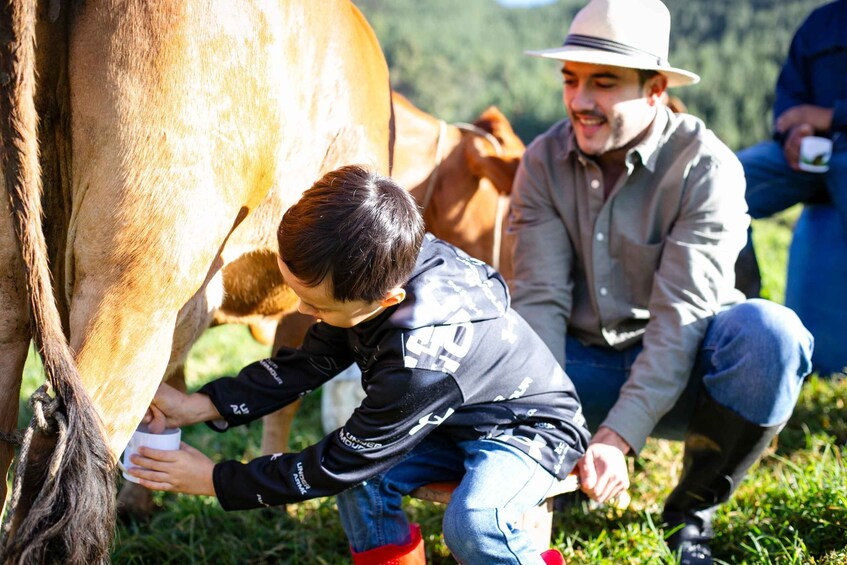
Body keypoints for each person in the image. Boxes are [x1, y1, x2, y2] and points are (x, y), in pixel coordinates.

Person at [127, 164, 590, 565]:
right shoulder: (381, 258)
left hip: (528, 429)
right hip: (443, 421)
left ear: (387, 299)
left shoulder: (419, 361)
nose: (304, 314)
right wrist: (200, 404)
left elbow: (337, 463)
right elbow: (309, 362)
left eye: (316, 305)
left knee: (474, 523)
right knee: (363, 485)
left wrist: (215, 480)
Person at [509, 0, 815, 563]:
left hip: (689, 369)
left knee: (773, 336)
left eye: (603, 83)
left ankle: (691, 510)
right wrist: (549, 425)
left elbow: (681, 321)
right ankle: (557, 470)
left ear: (654, 90)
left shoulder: (707, 168)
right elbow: (539, 303)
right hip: (580, 368)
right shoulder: (541, 163)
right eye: (570, 80)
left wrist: (619, 435)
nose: (579, 102)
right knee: (481, 352)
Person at [734, 0, 847, 342]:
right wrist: (793, 133)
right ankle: (743, 324)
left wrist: (828, 116)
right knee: (722, 183)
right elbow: (790, 97)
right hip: (805, 157)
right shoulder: (820, 23)